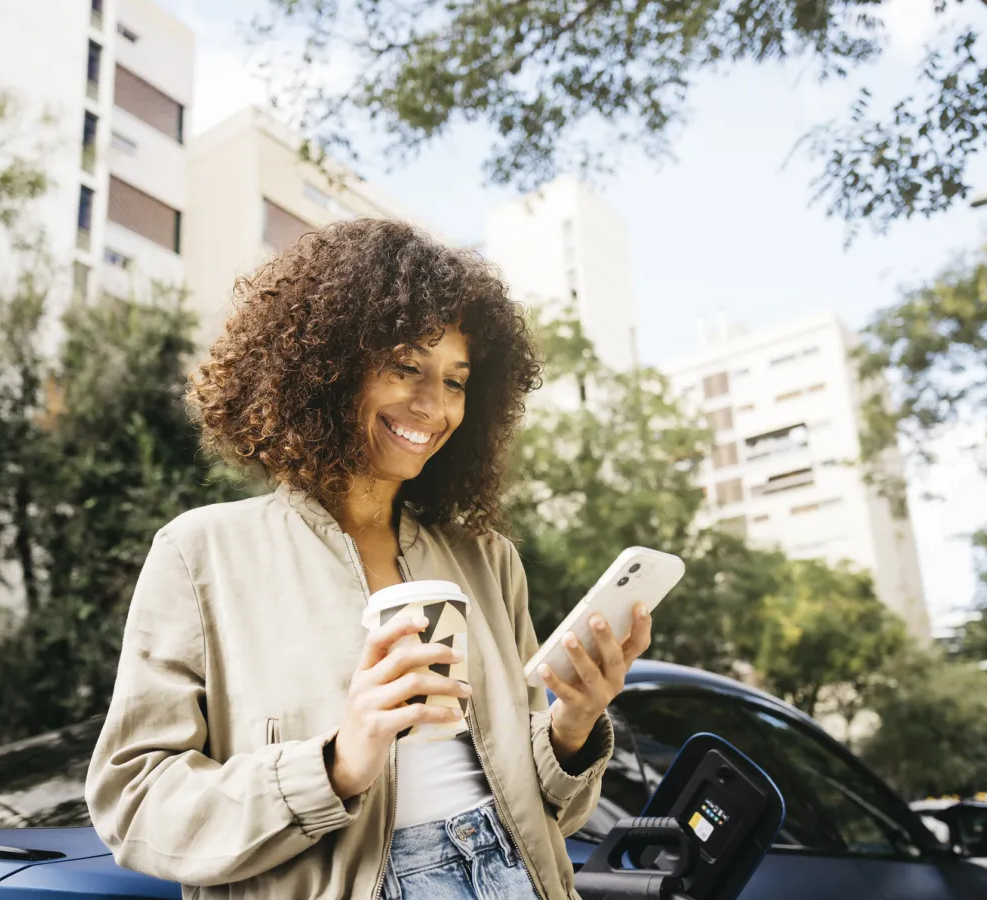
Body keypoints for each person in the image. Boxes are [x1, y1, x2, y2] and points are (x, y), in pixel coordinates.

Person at [85, 219, 653, 900]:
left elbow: (550, 809)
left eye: (456, 381)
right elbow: (135, 803)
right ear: (327, 365)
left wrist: (572, 724)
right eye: (407, 367)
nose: (432, 405)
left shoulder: (488, 561)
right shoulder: (200, 556)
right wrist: (334, 765)